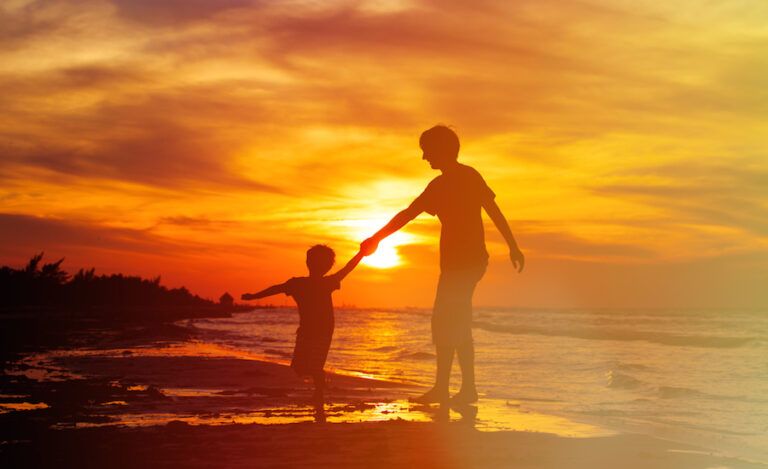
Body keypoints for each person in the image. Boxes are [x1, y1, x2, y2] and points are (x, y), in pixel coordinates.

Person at [361, 125, 524, 405]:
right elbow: (408, 214)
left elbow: (493, 210)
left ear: (442, 150)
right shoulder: (440, 185)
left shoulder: (467, 176)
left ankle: (448, 389)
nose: (424, 157)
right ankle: (461, 389)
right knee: (454, 324)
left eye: (427, 151)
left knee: (446, 323)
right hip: (456, 265)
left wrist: (513, 245)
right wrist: (375, 239)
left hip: (467, 264)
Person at [241, 245, 365, 405]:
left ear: (328, 266)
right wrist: (254, 296)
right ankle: (320, 381)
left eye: (323, 262)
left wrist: (361, 253)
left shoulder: (328, 282)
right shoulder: (297, 283)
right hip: (306, 329)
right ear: (308, 262)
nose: (317, 265)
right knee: (299, 368)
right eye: (314, 260)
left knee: (315, 365)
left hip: (324, 330)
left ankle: (319, 393)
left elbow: (348, 268)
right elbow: (276, 289)